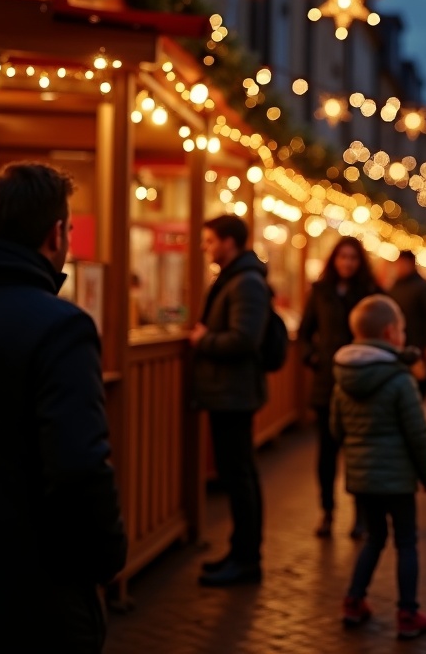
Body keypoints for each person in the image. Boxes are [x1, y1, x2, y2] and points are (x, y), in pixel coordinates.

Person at [0, 163, 126, 653]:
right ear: (56, 233)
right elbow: (79, 466)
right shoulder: (60, 327)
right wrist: (107, 558)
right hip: (32, 586)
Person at [331, 295, 426, 640]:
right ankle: (407, 612)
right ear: (391, 332)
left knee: (374, 539)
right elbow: (417, 433)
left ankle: (353, 600)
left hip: (362, 478)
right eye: (403, 329)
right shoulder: (399, 378)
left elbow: (336, 429)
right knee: (406, 541)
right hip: (397, 480)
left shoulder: (343, 378)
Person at [190, 214, 271, 587]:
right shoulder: (238, 278)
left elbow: (244, 339)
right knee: (239, 475)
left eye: (210, 240)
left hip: (234, 393)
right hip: (229, 392)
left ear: (229, 242)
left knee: (239, 477)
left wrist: (202, 339)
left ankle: (246, 559)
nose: (206, 246)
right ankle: (240, 553)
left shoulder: (246, 282)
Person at [298, 236, 380, 538]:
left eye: (353, 258)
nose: (347, 263)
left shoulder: (370, 292)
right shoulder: (320, 292)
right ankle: (328, 511)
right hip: (328, 382)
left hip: (362, 383)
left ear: (360, 262)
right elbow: (306, 331)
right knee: (327, 453)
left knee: (358, 453)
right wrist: (313, 356)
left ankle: (359, 514)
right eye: (342, 257)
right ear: (334, 260)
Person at [388, 250, 426, 418]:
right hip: (396, 348)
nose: (401, 267)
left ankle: (416, 418)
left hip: (418, 348)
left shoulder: (424, 287)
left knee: (418, 387)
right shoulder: (394, 287)